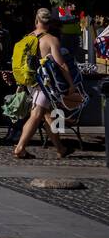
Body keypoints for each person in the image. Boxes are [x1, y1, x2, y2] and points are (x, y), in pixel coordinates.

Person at [13, 8, 77, 160]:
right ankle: (20, 148)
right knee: (36, 115)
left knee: (48, 115)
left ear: (36, 20)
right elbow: (61, 64)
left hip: (30, 82)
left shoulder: (26, 38)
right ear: (50, 22)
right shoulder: (51, 40)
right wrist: (71, 84)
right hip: (45, 84)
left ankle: (61, 148)